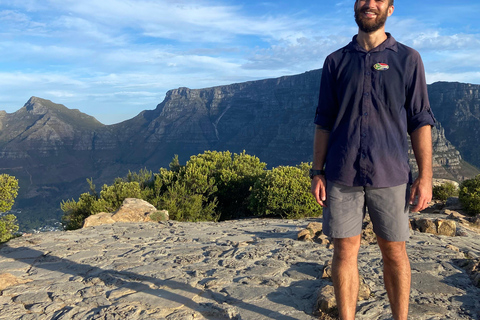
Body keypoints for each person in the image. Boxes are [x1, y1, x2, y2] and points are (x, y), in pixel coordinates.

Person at [310, 0, 435, 319]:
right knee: (344, 251)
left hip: (391, 174)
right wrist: (317, 171)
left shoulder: (408, 59)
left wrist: (426, 177)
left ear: (390, 9)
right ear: (355, 6)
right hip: (341, 172)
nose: (369, 4)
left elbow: (420, 120)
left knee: (394, 252)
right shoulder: (335, 61)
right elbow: (323, 120)